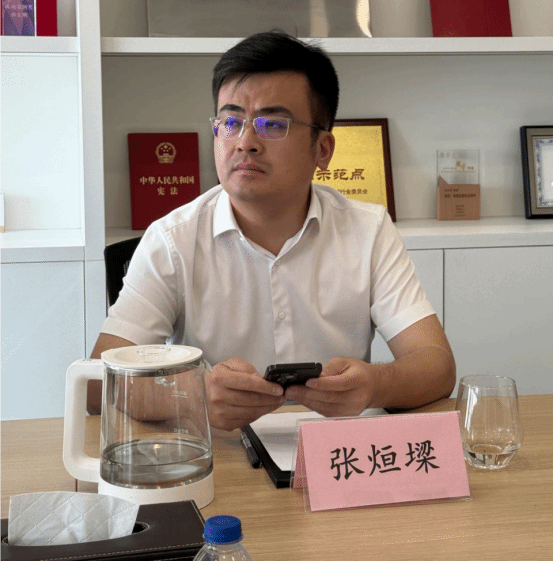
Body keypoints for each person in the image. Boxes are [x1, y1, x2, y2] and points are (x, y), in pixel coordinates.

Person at [89, 30, 456, 431]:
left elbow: (436, 366)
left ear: (322, 149)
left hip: (334, 452)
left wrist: (376, 385)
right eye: (231, 122)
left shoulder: (368, 230)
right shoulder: (172, 239)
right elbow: (97, 383)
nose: (245, 142)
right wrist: (191, 396)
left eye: (272, 124)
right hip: (222, 455)